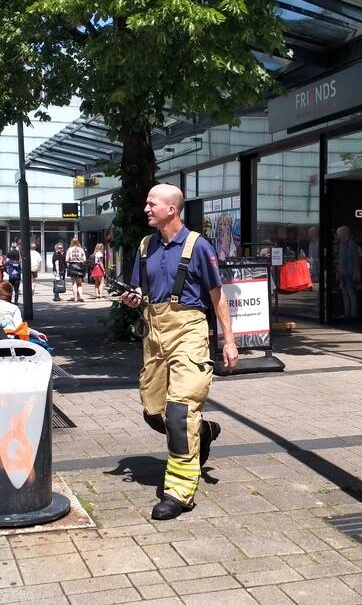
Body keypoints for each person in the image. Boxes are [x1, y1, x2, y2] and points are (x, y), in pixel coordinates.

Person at [120, 184, 238, 520]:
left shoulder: (198, 246)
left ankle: (180, 491)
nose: (146, 208)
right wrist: (134, 299)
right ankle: (204, 433)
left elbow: (218, 296)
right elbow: (142, 290)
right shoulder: (145, 246)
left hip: (189, 332)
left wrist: (228, 340)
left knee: (179, 413)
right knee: (154, 412)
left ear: (172, 209)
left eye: (151, 203)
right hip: (155, 334)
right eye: (146, 202)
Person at [65, 237, 87, 302]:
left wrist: (70, 261)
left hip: (72, 266)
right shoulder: (81, 249)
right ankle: (81, 296)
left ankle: (75, 298)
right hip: (79, 266)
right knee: (79, 283)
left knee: (74, 283)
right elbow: (84, 259)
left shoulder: (69, 249)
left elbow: (66, 259)